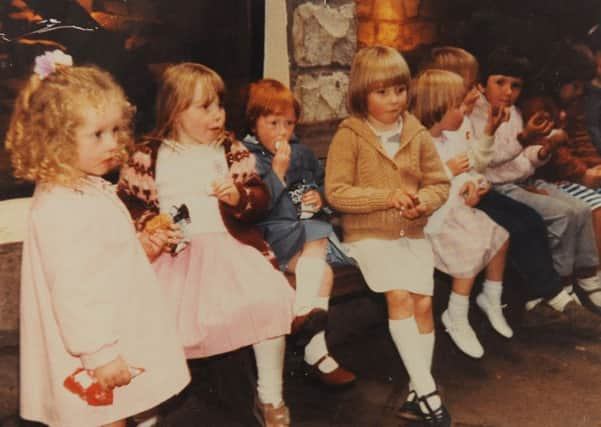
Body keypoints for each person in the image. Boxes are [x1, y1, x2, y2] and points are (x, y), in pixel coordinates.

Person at [5, 50, 190, 427]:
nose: (113, 143)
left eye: (115, 131)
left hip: (112, 325)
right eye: (98, 134)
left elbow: (101, 259)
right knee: (102, 416)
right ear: (57, 141)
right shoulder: (60, 207)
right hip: (89, 348)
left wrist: (141, 249)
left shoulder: (86, 186)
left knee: (128, 404)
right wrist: (99, 355)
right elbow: (71, 291)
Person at [117, 63, 294, 427]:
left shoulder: (230, 150)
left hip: (229, 250)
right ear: (175, 111)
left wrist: (237, 196)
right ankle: (147, 406)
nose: (218, 115)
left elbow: (259, 198)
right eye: (205, 107)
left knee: (268, 302)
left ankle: (270, 396)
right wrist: (150, 223)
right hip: (173, 255)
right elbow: (130, 201)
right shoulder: (148, 155)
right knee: (157, 323)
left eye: (220, 105)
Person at [419, 46, 600, 325]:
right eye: (471, 86)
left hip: (494, 185)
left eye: (515, 86)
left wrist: (537, 151)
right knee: (526, 221)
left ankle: (567, 284)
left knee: (550, 216)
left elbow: (489, 162)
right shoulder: (464, 119)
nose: (476, 93)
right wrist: (519, 139)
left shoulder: (497, 114)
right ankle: (550, 291)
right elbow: (483, 163)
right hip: (473, 192)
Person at [325, 45, 451, 427]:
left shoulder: (416, 132)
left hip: (410, 234)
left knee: (424, 305)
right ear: (362, 93)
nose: (394, 99)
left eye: (399, 90)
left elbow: (439, 183)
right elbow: (337, 192)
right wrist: (386, 196)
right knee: (398, 295)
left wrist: (422, 203)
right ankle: (429, 393)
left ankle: (417, 393)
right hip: (368, 237)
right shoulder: (350, 135)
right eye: (382, 92)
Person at [242, 78, 356, 387]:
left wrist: (319, 196)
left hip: (301, 237)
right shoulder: (245, 157)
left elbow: (321, 183)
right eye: (273, 123)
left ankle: (311, 334)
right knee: (316, 232)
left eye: (288, 124)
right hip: (267, 238)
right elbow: (255, 208)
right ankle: (312, 336)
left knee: (323, 272)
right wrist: (277, 173)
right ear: (253, 123)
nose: (282, 132)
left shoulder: (303, 153)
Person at [411, 69, 512, 359]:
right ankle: (456, 314)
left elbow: (465, 173)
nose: (464, 111)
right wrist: (449, 172)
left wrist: (470, 184)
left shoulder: (447, 137)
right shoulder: (420, 143)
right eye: (458, 106)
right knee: (470, 252)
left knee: (500, 238)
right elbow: (417, 183)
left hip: (454, 210)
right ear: (438, 109)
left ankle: (490, 298)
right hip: (434, 222)